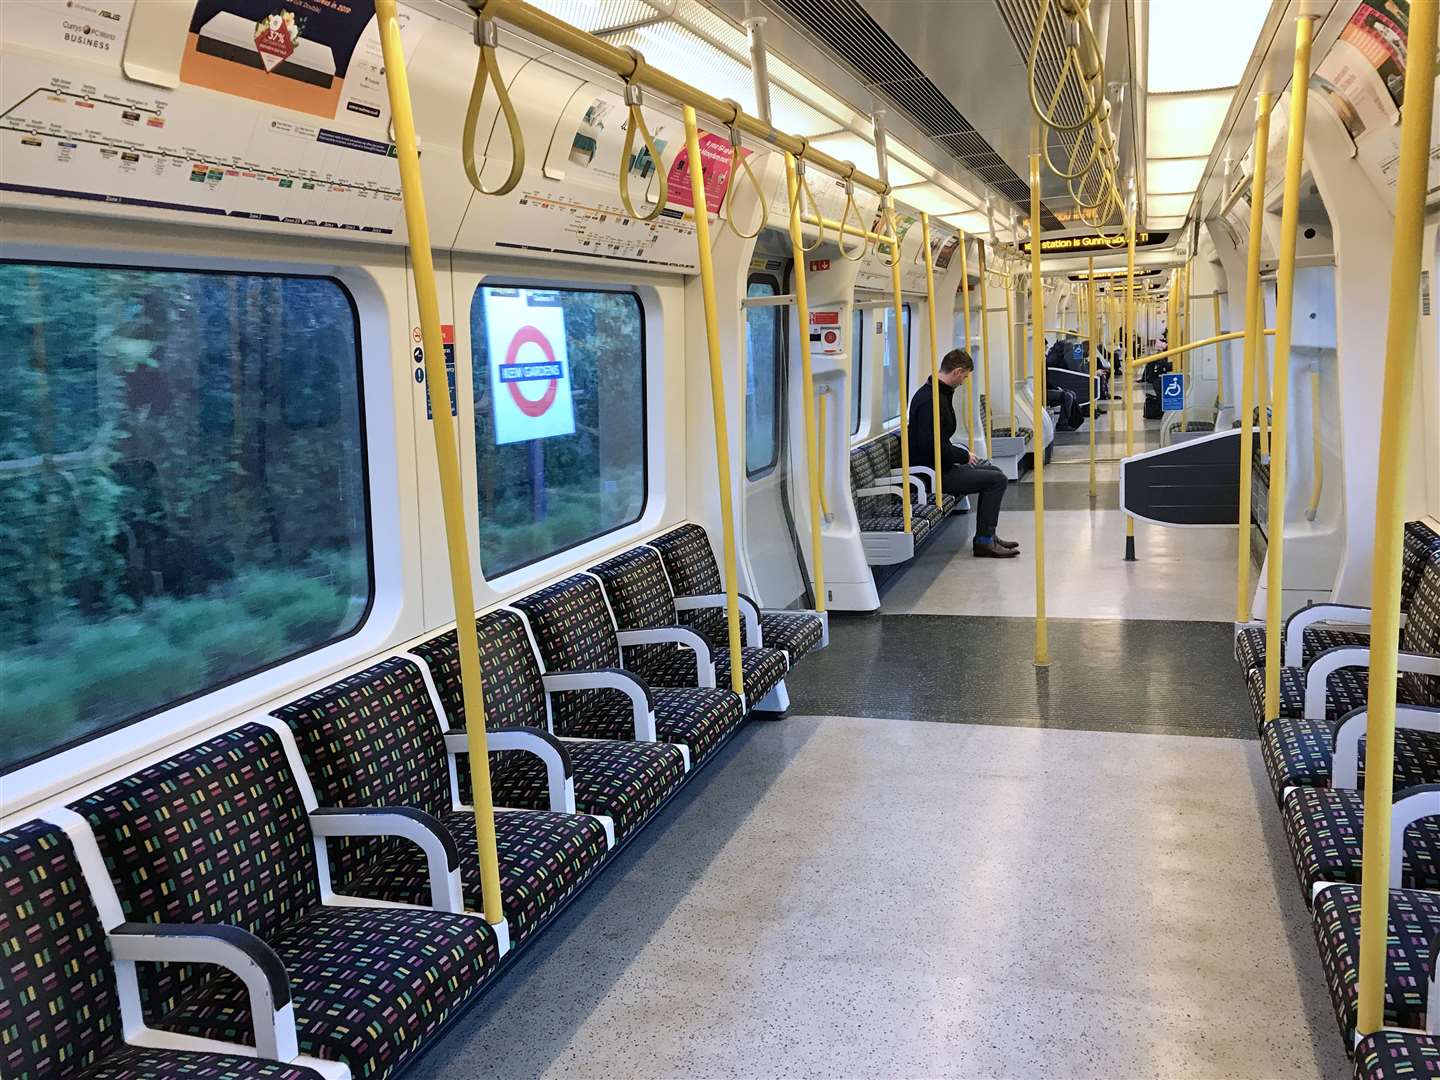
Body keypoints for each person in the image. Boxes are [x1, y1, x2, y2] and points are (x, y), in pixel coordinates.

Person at [906, 348, 1019, 559]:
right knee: (997, 480)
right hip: (931, 473)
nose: (964, 381)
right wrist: (962, 456)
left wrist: (960, 455)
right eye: (965, 377)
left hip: (940, 465)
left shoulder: (938, 392)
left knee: (992, 470)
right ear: (957, 372)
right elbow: (930, 446)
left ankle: (989, 535)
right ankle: (984, 542)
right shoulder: (931, 400)